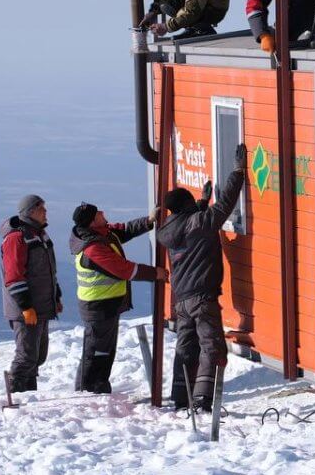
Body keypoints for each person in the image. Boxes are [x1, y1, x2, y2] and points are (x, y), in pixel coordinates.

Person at [158, 144, 247, 411]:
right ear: (186, 207)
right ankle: (203, 400)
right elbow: (225, 205)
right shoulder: (199, 223)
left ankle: (180, 395)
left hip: (181, 300)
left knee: (186, 348)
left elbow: (191, 223)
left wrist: (200, 203)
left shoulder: (169, 231)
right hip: (202, 298)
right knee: (212, 348)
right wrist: (238, 172)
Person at [70, 202, 167, 393]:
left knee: (103, 350)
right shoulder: (93, 248)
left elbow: (124, 230)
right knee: (96, 351)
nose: (103, 213)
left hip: (107, 305)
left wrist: (148, 221)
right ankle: (88, 389)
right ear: (92, 223)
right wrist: (156, 273)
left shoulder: (103, 233)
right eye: (98, 213)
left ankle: (97, 385)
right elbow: (125, 269)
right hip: (97, 307)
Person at [1, 194, 63, 392]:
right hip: (26, 309)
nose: (46, 212)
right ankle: (16, 393)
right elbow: (14, 276)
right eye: (42, 209)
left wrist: (56, 297)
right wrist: (26, 307)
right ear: (31, 211)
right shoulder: (17, 238)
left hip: (42, 306)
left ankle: (29, 395)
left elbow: (49, 271)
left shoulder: (39, 234)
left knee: (38, 356)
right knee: (26, 356)